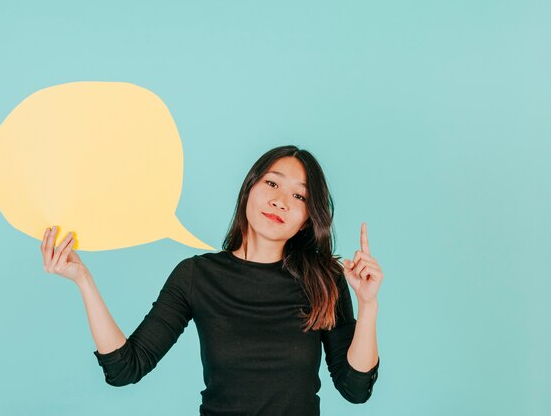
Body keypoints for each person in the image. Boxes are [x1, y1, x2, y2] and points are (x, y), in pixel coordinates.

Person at [40, 145, 383, 415]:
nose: (280, 201)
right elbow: (125, 368)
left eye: (299, 196)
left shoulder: (324, 281)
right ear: (249, 188)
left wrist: (368, 305)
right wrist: (83, 280)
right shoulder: (196, 276)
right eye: (272, 183)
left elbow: (355, 389)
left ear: (308, 218)